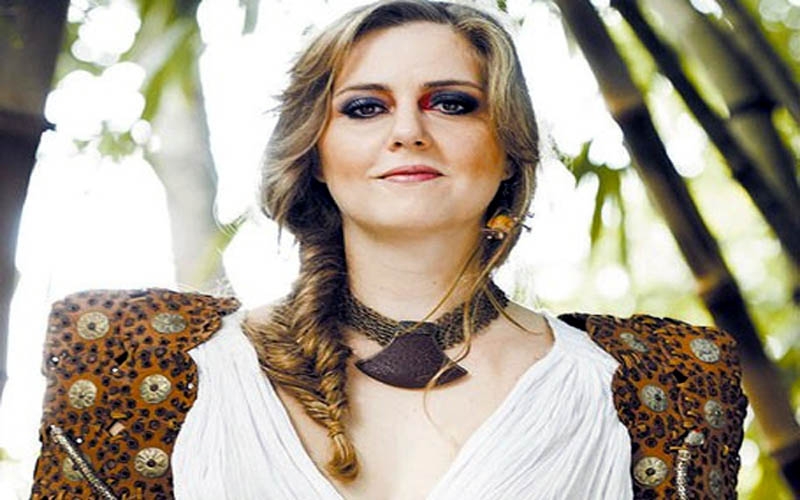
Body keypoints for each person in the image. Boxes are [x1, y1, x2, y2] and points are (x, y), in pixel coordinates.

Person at [30, 1, 747, 499]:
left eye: (452, 103)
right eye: (365, 107)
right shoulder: (143, 363)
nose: (407, 131)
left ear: (508, 150)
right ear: (315, 153)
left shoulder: (652, 388)